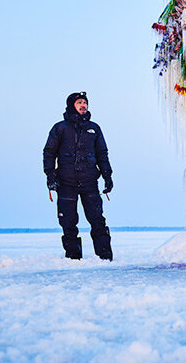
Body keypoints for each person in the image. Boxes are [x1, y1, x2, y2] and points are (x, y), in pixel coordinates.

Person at [43, 91, 114, 260]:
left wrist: (107, 176)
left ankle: (105, 256)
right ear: (71, 106)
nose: (83, 105)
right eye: (79, 103)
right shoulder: (60, 128)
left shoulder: (94, 128)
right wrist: (50, 176)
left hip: (89, 182)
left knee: (97, 219)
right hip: (66, 182)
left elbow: (102, 154)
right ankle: (73, 257)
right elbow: (49, 152)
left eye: (85, 103)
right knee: (68, 221)